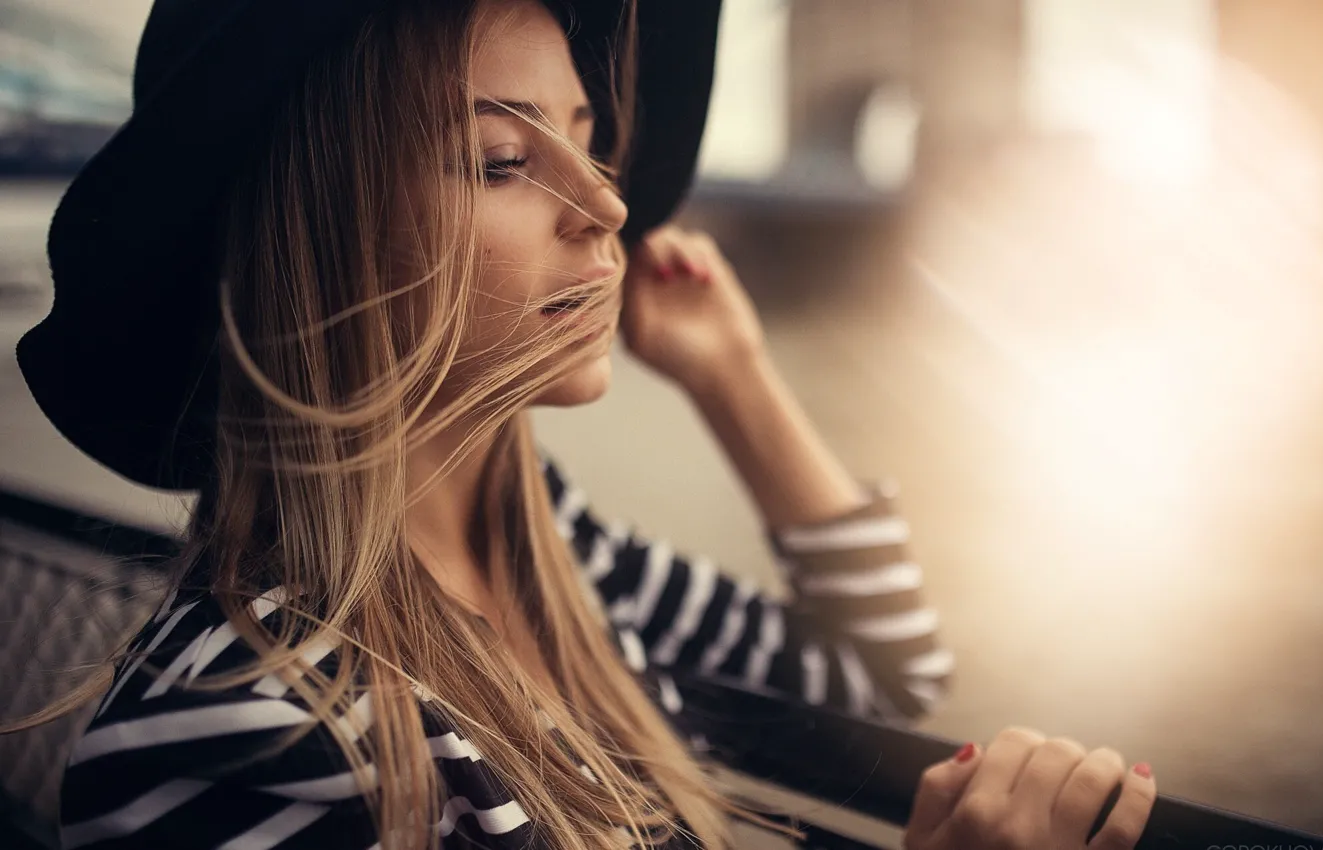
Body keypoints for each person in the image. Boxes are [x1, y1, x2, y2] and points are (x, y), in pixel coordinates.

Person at [12, 0, 1156, 847]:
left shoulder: (552, 549)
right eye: (506, 160)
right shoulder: (236, 737)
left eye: (589, 136)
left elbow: (881, 671)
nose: (608, 201)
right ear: (323, 245)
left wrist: (736, 382)